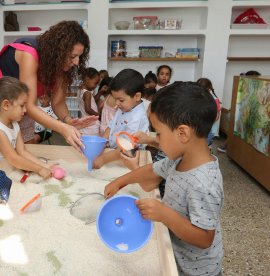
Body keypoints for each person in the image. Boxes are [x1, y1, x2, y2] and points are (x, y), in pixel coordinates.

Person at [104, 82, 223, 276]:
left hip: (196, 270)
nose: (156, 140)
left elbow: (204, 238)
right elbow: (151, 171)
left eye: (158, 133)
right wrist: (120, 182)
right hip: (176, 254)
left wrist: (163, 213)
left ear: (182, 133)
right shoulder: (180, 159)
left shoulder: (203, 182)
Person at [0, 21, 97, 149]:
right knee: (0, 145)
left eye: (79, 56)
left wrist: (68, 121)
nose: (76, 62)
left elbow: (58, 103)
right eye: (73, 56)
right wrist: (62, 128)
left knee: (25, 144)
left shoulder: (62, 66)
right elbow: (28, 106)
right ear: (59, 51)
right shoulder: (29, 54)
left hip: (22, 100)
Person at [0, 77, 52, 179]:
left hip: (8, 170)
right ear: (6, 105)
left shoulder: (14, 124)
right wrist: (39, 169)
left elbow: (22, 151)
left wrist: (45, 165)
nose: (25, 110)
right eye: (22, 105)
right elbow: (14, 159)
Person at [93, 69, 149, 169]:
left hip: (130, 159)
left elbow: (126, 147)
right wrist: (100, 145)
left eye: (121, 100)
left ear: (137, 96)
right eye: (115, 99)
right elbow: (110, 127)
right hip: (113, 153)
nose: (117, 103)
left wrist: (103, 159)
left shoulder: (137, 117)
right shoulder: (125, 107)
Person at [217, 70, 261, 153]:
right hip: (236, 115)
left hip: (233, 113)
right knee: (236, 133)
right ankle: (225, 146)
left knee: (235, 133)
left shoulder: (242, 85)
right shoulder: (249, 90)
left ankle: (227, 147)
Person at [196, 78, 221, 146]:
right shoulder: (199, 98)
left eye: (203, 90)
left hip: (209, 129)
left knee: (205, 146)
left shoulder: (214, 100)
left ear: (209, 89)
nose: (200, 92)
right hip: (199, 128)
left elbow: (216, 117)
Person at [78, 67, 101, 136]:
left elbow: (92, 100)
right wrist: (98, 115)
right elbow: (88, 109)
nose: (96, 86)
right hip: (92, 124)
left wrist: (100, 92)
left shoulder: (80, 90)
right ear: (87, 79)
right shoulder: (87, 93)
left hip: (86, 122)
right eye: (95, 83)